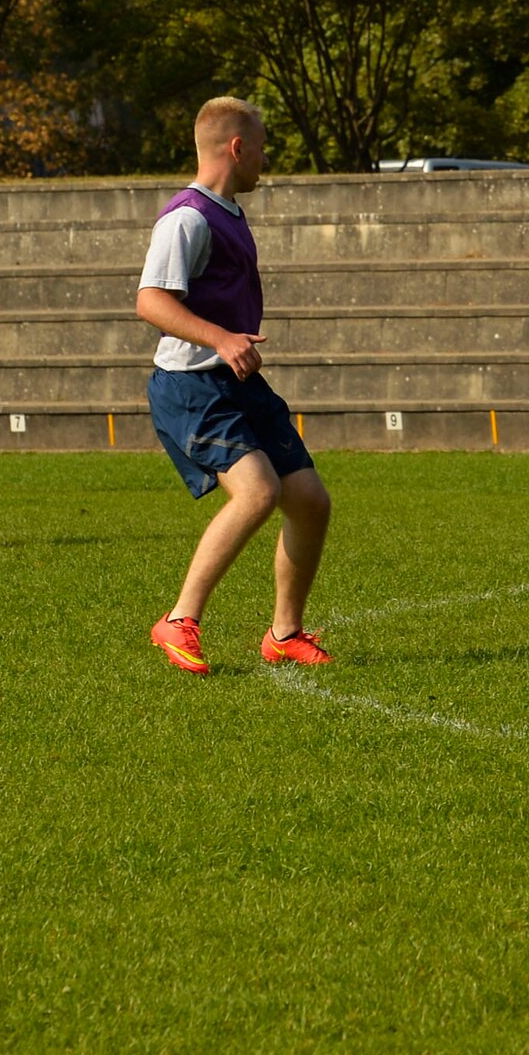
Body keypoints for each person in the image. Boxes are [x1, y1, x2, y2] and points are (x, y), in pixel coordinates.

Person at [137, 96, 333, 675]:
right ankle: (179, 619)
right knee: (258, 493)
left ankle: (284, 634)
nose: (265, 159)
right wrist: (222, 338)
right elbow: (150, 301)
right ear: (237, 147)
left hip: (239, 381)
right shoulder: (187, 218)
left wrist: (229, 346)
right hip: (192, 387)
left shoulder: (228, 213)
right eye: (262, 147)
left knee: (311, 502)